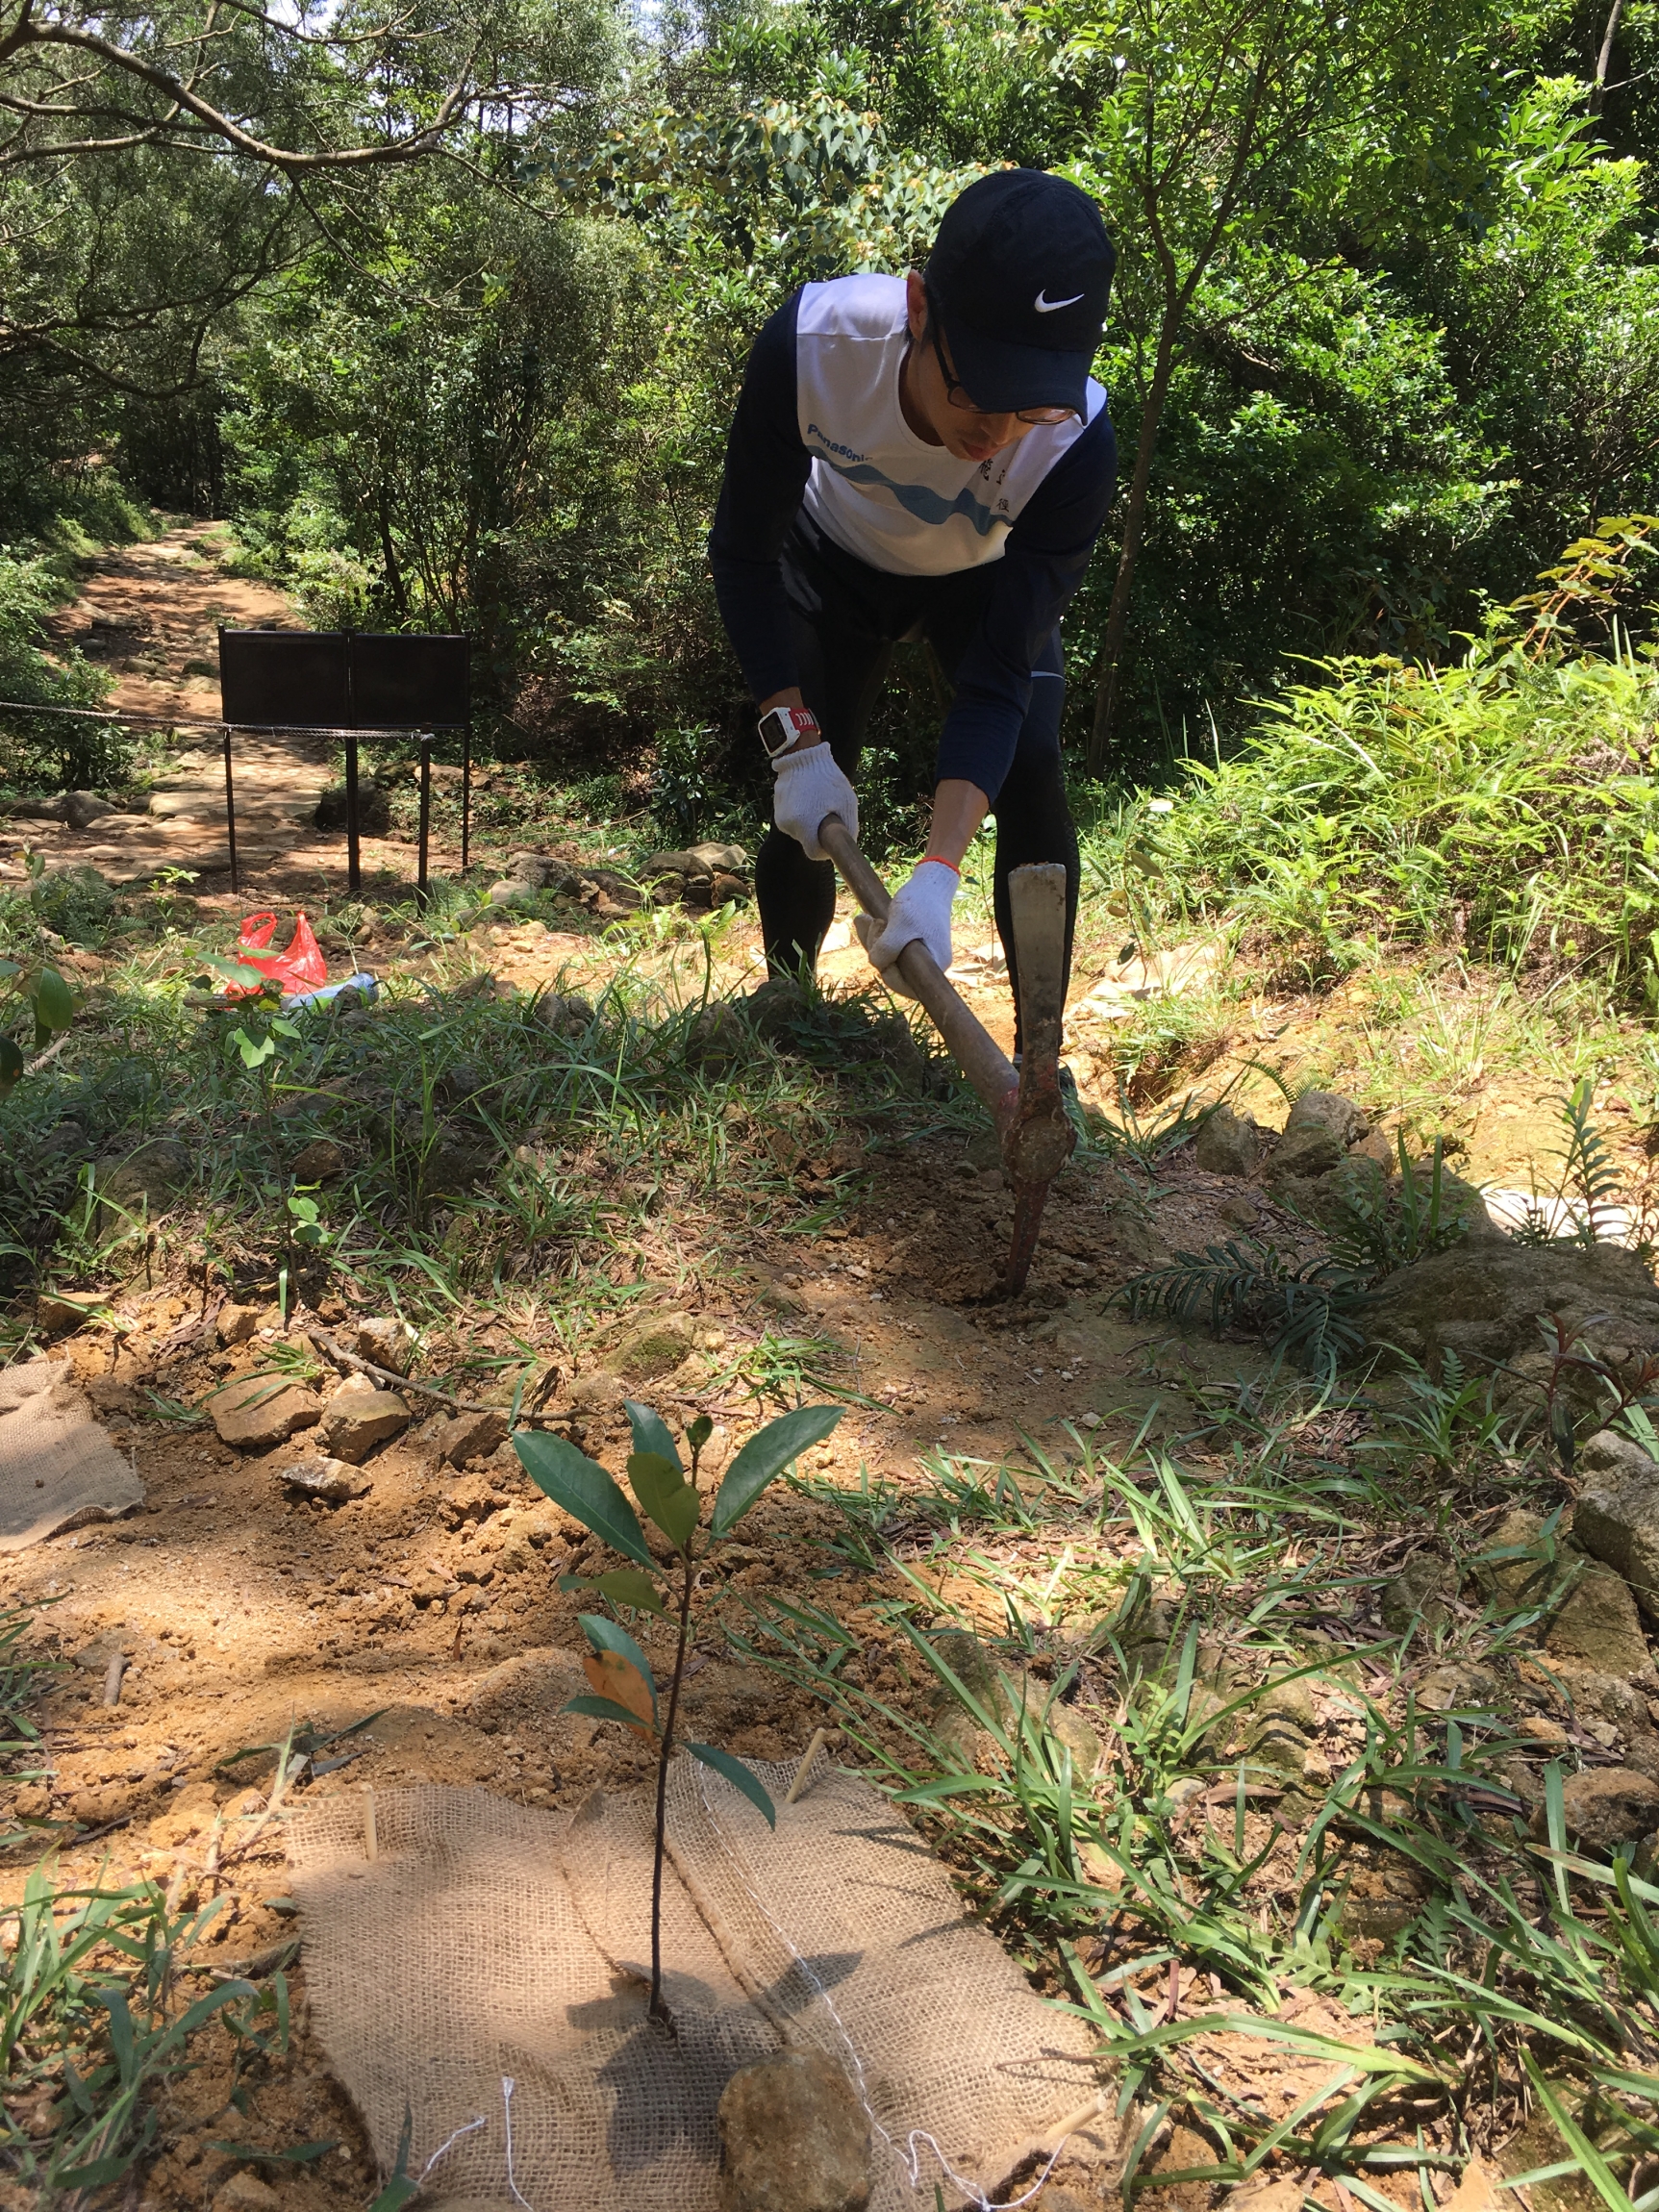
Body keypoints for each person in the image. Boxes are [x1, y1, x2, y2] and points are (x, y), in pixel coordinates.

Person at [708, 166, 1117, 1052]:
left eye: (1030, 403)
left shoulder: (1076, 444)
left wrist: (938, 870)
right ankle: (787, 1004)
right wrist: (792, 736)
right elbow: (742, 551)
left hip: (981, 576)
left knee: (1033, 766)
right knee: (810, 798)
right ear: (920, 308)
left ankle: (1041, 1056)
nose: (998, 433)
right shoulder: (815, 347)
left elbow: (1003, 666)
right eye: (978, 390)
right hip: (832, 557)